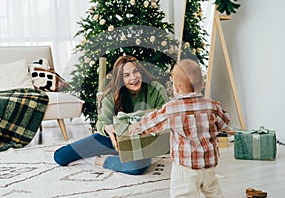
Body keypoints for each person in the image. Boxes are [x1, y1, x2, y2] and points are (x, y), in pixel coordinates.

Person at [129, 59, 230, 197]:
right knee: (214, 192)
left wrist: (138, 126)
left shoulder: (172, 109)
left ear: (175, 87)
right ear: (202, 84)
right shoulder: (212, 106)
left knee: (183, 194)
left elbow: (153, 122)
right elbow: (225, 123)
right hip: (209, 165)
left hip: (185, 167)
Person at [53, 55, 169, 175]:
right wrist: (107, 128)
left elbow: (166, 117)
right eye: (126, 75)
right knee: (61, 157)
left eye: (136, 71)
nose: (133, 78)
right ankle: (115, 155)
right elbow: (102, 121)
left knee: (136, 167)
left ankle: (97, 160)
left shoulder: (156, 89)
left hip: (144, 143)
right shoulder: (113, 94)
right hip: (115, 141)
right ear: (120, 79)